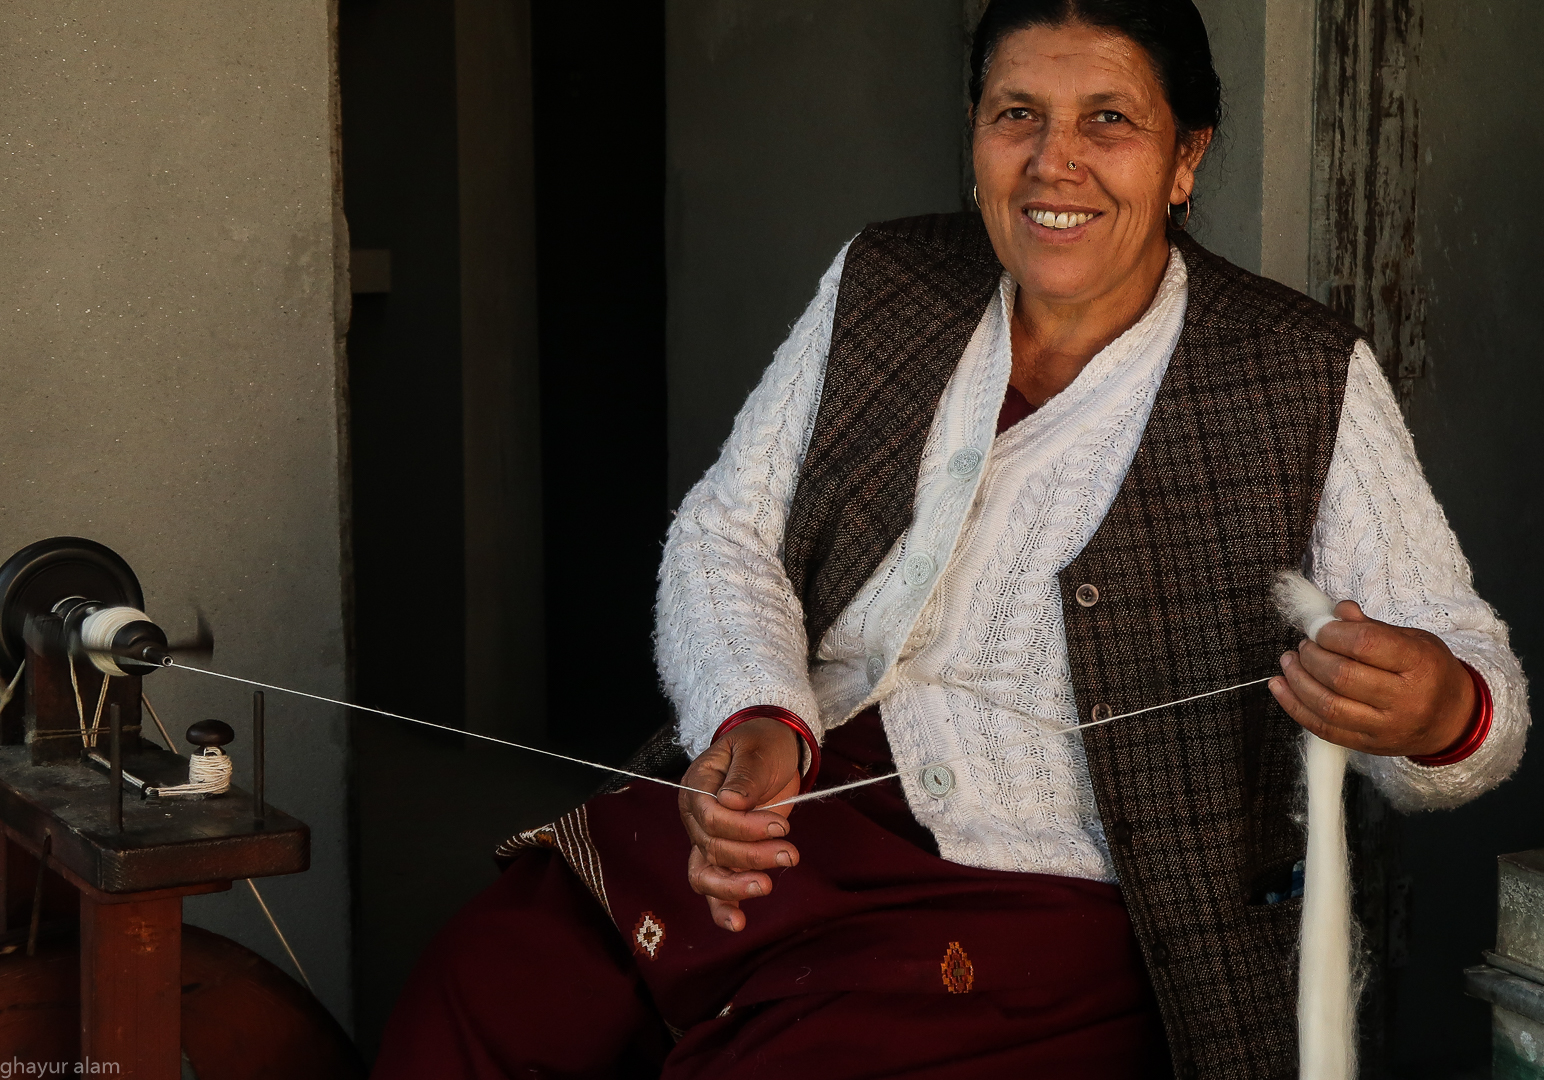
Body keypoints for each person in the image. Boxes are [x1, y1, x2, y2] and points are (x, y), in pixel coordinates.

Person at [371, 1, 1528, 1077]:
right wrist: (757, 718)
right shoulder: (888, 280)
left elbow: (1474, 690)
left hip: (1042, 890)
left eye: (1107, 122)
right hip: (797, 798)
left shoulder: (1293, 371)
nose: (1051, 162)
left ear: (1184, 160)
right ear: (974, 137)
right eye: (1014, 115)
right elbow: (727, 530)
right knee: (482, 989)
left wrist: (1433, 713)